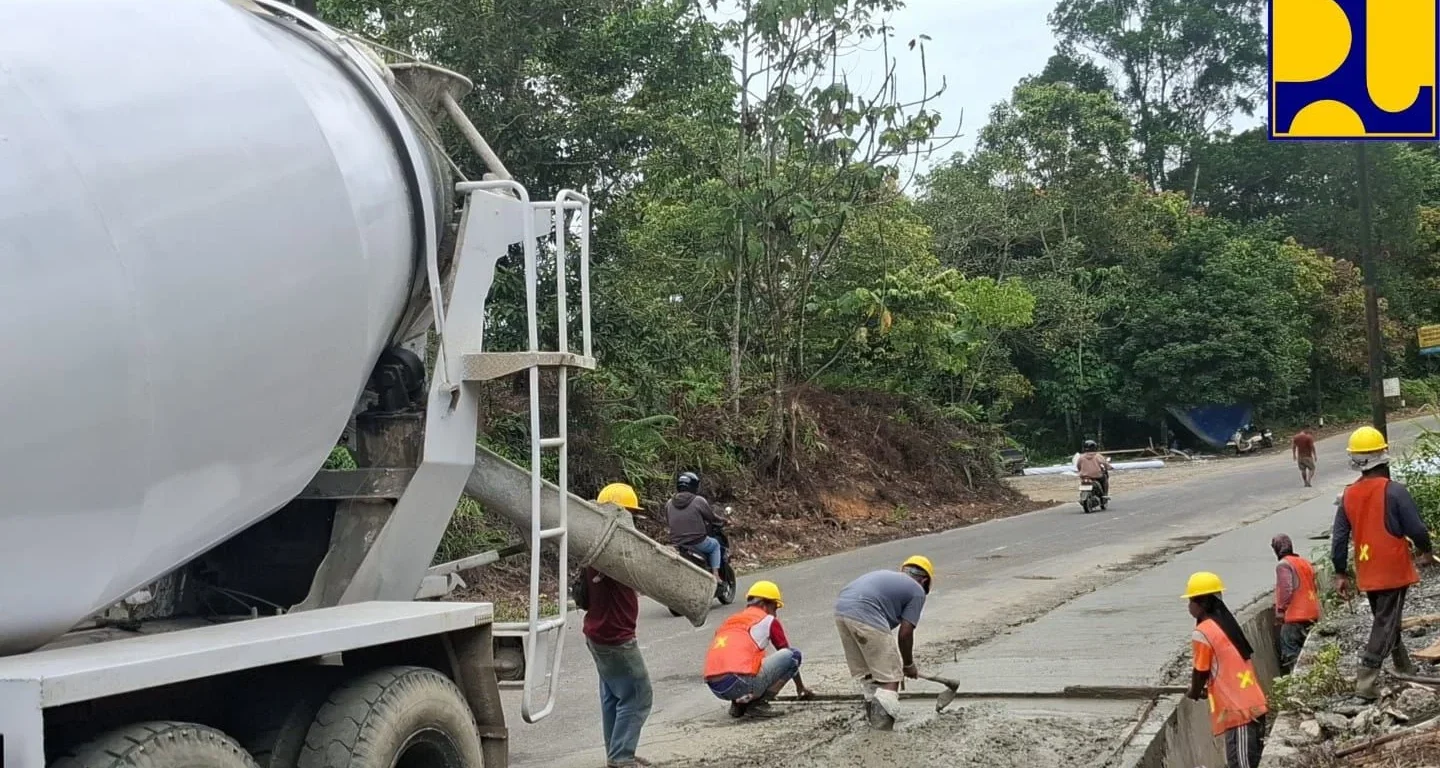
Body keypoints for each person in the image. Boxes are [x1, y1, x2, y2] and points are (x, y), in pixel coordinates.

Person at [1332, 426, 1435, 699]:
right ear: (1383, 455)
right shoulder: (1395, 491)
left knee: (1386, 619)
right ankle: (1366, 682)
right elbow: (1417, 529)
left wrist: (1340, 573)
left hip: (1367, 569)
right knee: (1386, 623)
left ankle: (1403, 665)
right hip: (1392, 568)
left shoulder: (1348, 496)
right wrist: (1426, 552)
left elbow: (1339, 539)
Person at [583, 483, 653, 768]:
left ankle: (617, 753)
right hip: (616, 637)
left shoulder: (593, 550)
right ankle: (621, 757)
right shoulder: (616, 552)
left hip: (597, 633)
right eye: (630, 515)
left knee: (613, 696)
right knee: (638, 696)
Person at [833, 556, 933, 726]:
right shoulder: (917, 590)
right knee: (890, 678)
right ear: (924, 581)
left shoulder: (891, 579)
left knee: (870, 675)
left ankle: (873, 722)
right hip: (865, 612)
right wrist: (908, 664)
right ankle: (882, 733)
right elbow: (905, 633)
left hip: (842, 611)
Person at [1183, 571, 1269, 768]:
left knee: (1241, 764)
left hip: (1239, 712)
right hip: (1253, 706)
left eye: (1190, 601)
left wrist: (1194, 692)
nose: (1189, 606)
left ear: (1201, 603)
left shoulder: (1203, 632)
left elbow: (1200, 671)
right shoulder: (1226, 626)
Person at [702, 581, 811, 718]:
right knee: (793, 655)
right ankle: (758, 703)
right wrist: (800, 687)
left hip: (716, 687)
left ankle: (739, 703)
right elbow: (787, 655)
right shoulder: (768, 620)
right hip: (739, 683)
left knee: (750, 661)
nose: (775, 614)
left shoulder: (730, 621)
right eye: (774, 608)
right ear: (764, 604)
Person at [1271, 533, 1320, 673]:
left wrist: (1280, 611)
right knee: (1309, 652)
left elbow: (1286, 588)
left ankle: (1299, 678)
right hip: (1312, 613)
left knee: (1291, 651)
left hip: (1295, 616)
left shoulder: (1283, 565)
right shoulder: (1305, 563)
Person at [665, 471, 727, 582]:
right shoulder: (698, 500)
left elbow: (669, 521)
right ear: (694, 486)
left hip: (678, 544)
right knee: (715, 545)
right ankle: (716, 575)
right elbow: (711, 517)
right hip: (698, 542)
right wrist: (723, 520)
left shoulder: (669, 503)